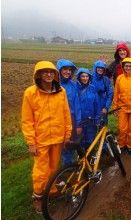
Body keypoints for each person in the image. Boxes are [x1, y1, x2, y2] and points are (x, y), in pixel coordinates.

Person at [21, 61, 72, 213]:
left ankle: (52, 190)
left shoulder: (61, 91)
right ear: (38, 75)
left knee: (54, 167)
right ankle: (38, 197)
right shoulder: (30, 93)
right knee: (40, 171)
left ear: (55, 75)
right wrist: (31, 142)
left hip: (57, 137)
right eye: (45, 72)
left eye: (51, 72)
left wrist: (67, 134)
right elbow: (27, 120)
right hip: (40, 140)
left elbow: (66, 113)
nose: (48, 74)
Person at [56, 59, 82, 165]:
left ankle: (69, 166)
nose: (68, 72)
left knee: (71, 143)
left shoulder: (73, 85)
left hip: (71, 119)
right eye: (65, 69)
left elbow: (77, 105)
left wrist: (78, 123)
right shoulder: (53, 85)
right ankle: (64, 167)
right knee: (60, 145)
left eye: (70, 70)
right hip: (57, 120)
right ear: (59, 71)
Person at [76, 67, 99, 149]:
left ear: (89, 77)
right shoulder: (75, 88)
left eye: (87, 76)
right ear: (79, 77)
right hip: (80, 120)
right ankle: (81, 158)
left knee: (90, 140)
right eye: (83, 76)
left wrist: (97, 118)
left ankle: (90, 155)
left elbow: (96, 104)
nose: (85, 78)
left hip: (91, 119)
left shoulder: (93, 88)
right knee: (80, 140)